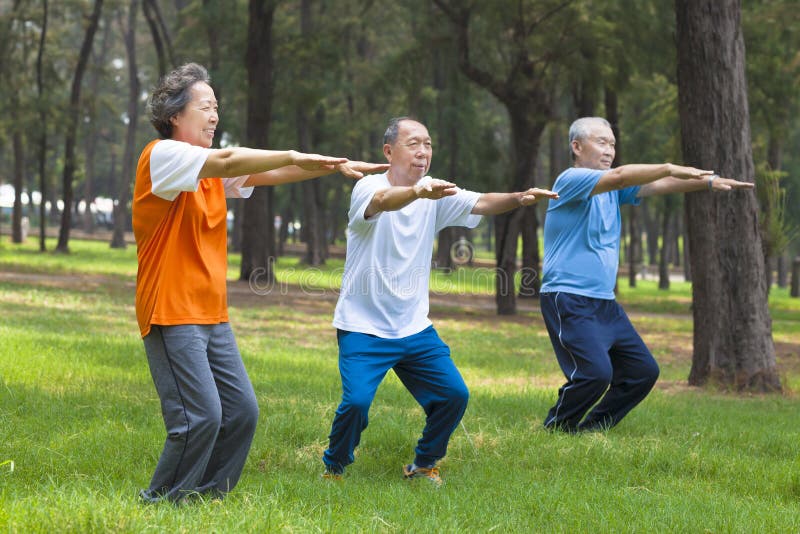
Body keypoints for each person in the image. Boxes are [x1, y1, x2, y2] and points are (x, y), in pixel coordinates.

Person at [133, 63, 387, 504]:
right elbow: (233, 159)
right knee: (199, 417)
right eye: (205, 107)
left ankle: (206, 497)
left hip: (211, 312)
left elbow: (269, 174)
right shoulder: (163, 156)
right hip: (171, 309)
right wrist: (291, 153)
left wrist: (330, 165)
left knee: (241, 412)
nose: (214, 116)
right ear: (175, 115)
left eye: (217, 108)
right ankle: (161, 502)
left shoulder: (207, 173)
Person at [321, 116, 558, 485]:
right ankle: (334, 467)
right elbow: (383, 202)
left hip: (413, 326)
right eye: (413, 143)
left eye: (428, 144)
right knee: (356, 404)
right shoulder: (369, 186)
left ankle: (423, 463)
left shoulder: (434, 193)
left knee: (453, 395)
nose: (423, 151)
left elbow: (480, 202)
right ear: (389, 151)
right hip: (362, 326)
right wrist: (418, 192)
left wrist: (519, 198)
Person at [540, 116, 754, 433]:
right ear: (577, 146)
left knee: (643, 370)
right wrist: (669, 165)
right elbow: (624, 176)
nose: (609, 149)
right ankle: (557, 427)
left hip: (604, 302)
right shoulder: (570, 180)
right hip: (568, 297)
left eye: (612, 143)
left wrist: (706, 182)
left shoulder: (614, 190)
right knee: (596, 374)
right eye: (601, 142)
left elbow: (657, 185)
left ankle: (593, 430)